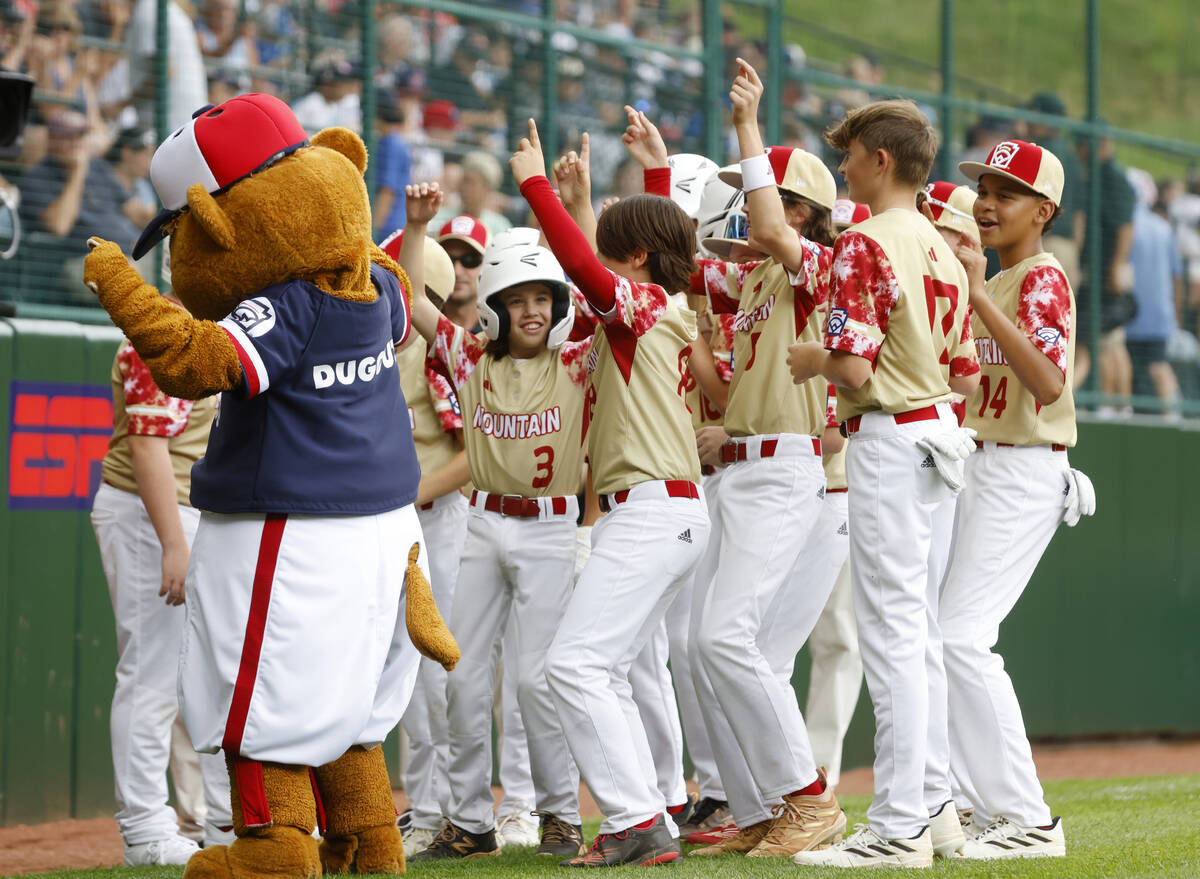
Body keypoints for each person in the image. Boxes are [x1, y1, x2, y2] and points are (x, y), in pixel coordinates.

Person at [787, 98, 980, 869]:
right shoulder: (940, 243)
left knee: (894, 631)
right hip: (937, 431)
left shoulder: (865, 242)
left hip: (892, 435)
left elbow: (856, 367)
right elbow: (966, 368)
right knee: (919, 630)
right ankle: (934, 809)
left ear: (882, 160)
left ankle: (898, 824)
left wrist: (812, 359)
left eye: (851, 153)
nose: (843, 165)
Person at [515, 119, 710, 867]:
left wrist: (537, 185)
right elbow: (607, 272)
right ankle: (649, 811)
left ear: (632, 258)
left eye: (611, 246)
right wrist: (639, 182)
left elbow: (590, 269)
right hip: (660, 509)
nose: (597, 260)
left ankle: (635, 819)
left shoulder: (646, 308)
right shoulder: (662, 308)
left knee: (572, 665)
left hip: (652, 511)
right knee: (613, 668)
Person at [676, 60, 845, 860]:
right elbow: (673, 264)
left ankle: (807, 799)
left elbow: (774, 230)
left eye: (763, 196)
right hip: (742, 469)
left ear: (805, 213)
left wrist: (748, 125)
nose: (748, 213)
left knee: (725, 638)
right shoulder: (749, 283)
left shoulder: (813, 266)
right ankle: (759, 807)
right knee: (704, 647)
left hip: (787, 467)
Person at [403, 182, 588, 861]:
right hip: (484, 525)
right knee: (460, 675)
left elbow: (597, 284)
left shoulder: (576, 360)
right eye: (518, 300)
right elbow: (414, 301)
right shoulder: (471, 357)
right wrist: (417, 227)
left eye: (542, 297)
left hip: (549, 525)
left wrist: (568, 205)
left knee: (539, 681)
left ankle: (560, 816)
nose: (533, 310)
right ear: (496, 309)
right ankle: (470, 821)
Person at [944, 137, 1091, 860]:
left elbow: (1047, 382)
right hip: (981, 461)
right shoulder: (997, 279)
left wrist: (971, 294)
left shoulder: (1040, 277)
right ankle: (975, 805)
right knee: (942, 638)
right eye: (984, 187)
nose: (988, 201)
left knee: (962, 636)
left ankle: (1028, 818)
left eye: (1007, 192)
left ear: (1044, 210)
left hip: (1022, 467)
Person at [91, 320, 231, 866]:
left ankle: (226, 821)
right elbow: (148, 446)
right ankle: (145, 829)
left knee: (212, 676)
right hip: (152, 513)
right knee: (151, 675)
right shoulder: (164, 333)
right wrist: (173, 543)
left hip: (192, 511)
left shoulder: (211, 329)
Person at [379, 229, 469, 857]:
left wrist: (403, 498)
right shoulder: (374, 349)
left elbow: (474, 456)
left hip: (437, 519)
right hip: (391, 526)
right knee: (396, 669)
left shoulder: (436, 357)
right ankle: (422, 806)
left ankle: (442, 809)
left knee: (435, 671)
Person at [1075, 132, 1135, 408]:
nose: (1079, 150)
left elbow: (1125, 226)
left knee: (1101, 343)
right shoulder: (1100, 175)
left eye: (1082, 144)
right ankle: (1119, 406)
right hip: (1103, 271)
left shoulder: (1112, 178)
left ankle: (1113, 405)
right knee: (1110, 343)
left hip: (1106, 274)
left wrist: (1116, 266)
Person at [1124, 168, 1182, 415]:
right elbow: (1176, 275)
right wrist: (1175, 313)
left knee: (1124, 364)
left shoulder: (1125, 226)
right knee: (1159, 366)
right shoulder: (1164, 227)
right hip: (1159, 315)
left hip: (1128, 315)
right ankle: (1174, 416)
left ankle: (1122, 413)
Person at [436, 214, 490, 330]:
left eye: (470, 260)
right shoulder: (417, 326)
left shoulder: (502, 330)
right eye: (447, 259)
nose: (457, 271)